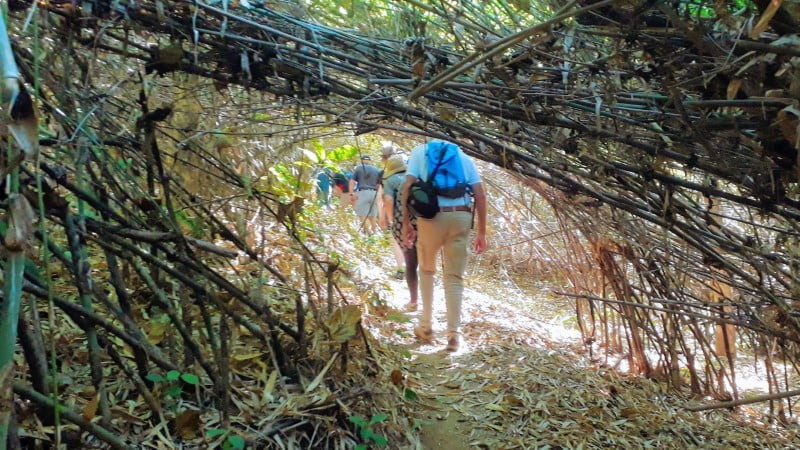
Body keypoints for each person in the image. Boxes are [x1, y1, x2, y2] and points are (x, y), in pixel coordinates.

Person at [401, 140, 487, 352]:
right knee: (454, 277)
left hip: (431, 218)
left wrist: (405, 222)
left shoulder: (420, 152)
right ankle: (453, 335)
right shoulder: (463, 157)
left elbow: (407, 187)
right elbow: (480, 195)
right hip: (461, 216)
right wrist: (482, 233)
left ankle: (426, 326)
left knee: (427, 271)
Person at [381, 154, 419, 310]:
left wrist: (391, 220)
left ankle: (414, 301)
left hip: (402, 223)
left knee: (410, 262)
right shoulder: (415, 178)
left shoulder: (390, 181)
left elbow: (388, 202)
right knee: (426, 261)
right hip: (423, 222)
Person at [380, 144, 407, 279]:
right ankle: (414, 267)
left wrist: (387, 218)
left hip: (398, 214)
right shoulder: (413, 177)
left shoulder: (388, 178)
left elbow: (386, 200)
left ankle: (401, 269)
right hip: (416, 215)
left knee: (396, 241)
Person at [349, 155, 381, 234]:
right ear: (370, 161)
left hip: (363, 192)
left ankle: (369, 232)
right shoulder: (377, 170)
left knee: (362, 214)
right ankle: (375, 234)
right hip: (374, 193)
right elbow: (379, 185)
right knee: (373, 216)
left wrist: (351, 194)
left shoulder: (359, 168)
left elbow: (352, 182)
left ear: (362, 160)